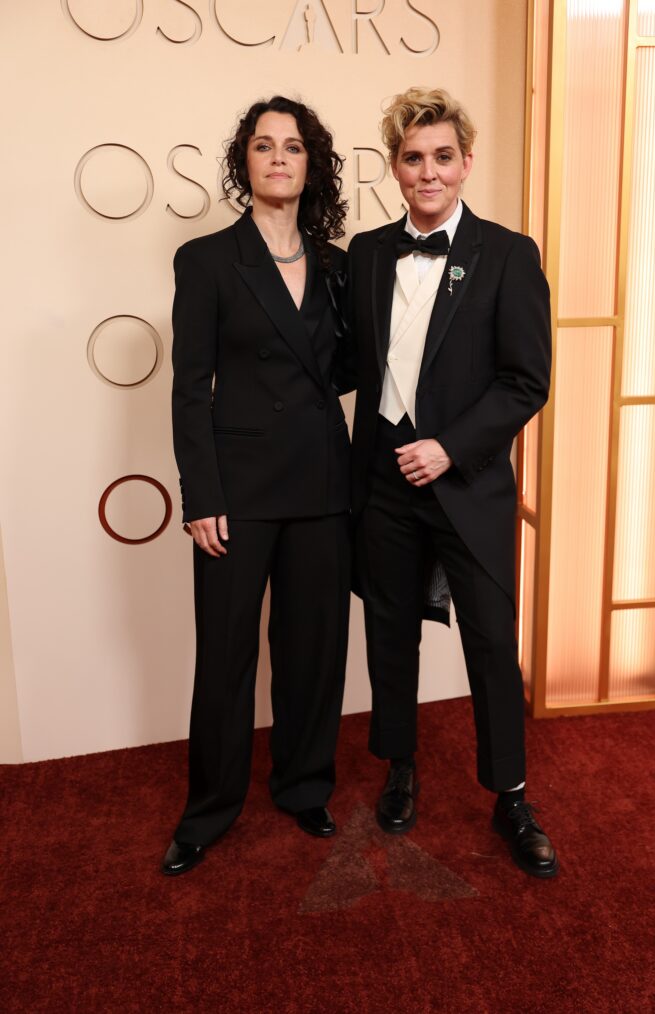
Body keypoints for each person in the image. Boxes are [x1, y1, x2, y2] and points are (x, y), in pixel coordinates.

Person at [347, 87, 558, 877]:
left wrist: (450, 448)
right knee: (389, 634)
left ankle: (511, 796)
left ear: (467, 162)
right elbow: (346, 362)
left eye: (442, 156)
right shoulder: (366, 253)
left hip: (467, 484)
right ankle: (400, 766)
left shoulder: (509, 254)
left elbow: (525, 380)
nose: (428, 172)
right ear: (395, 167)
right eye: (413, 158)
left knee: (492, 642)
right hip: (383, 482)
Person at [163, 96, 351, 876]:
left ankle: (305, 786)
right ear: (244, 161)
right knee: (226, 656)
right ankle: (209, 810)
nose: (279, 157)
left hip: (322, 482)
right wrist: (201, 496)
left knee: (314, 652)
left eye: (293, 146)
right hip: (236, 493)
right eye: (264, 145)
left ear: (312, 164)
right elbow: (190, 388)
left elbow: (349, 370)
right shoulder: (207, 259)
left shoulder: (338, 265)